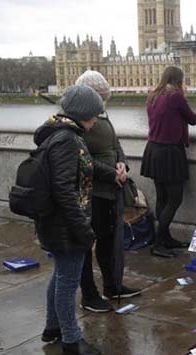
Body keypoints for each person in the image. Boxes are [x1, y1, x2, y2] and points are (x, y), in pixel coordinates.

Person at [37, 84, 104, 355]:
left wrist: (111, 174)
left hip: (57, 222)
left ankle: (52, 328)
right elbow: (64, 190)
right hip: (66, 224)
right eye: (93, 114)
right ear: (80, 113)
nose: (96, 119)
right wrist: (83, 230)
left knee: (60, 275)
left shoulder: (59, 133)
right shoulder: (66, 139)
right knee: (67, 281)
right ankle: (70, 339)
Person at [75, 71, 141, 313]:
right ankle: (89, 294)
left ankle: (112, 285)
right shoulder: (78, 122)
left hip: (111, 189)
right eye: (100, 98)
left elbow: (116, 145)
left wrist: (122, 163)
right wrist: (110, 172)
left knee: (108, 241)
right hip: (93, 192)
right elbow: (81, 158)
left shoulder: (100, 114)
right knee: (87, 244)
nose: (103, 104)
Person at [141, 66, 196, 258]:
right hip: (170, 152)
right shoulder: (175, 96)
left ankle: (166, 239)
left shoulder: (153, 96)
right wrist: (184, 96)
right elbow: (193, 119)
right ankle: (158, 243)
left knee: (162, 198)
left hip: (153, 150)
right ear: (178, 80)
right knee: (175, 199)